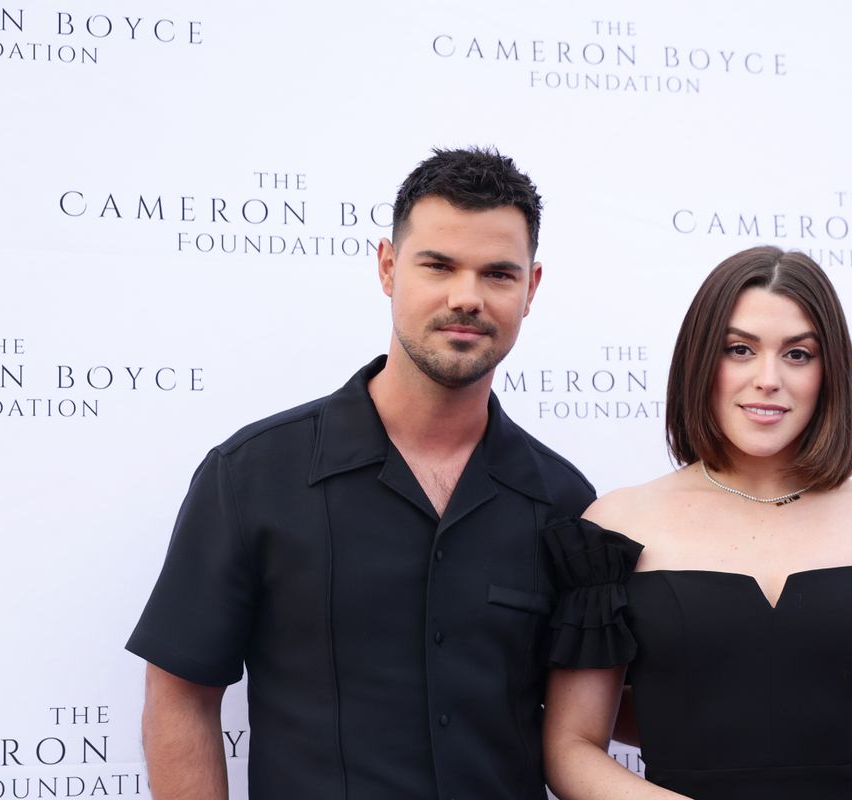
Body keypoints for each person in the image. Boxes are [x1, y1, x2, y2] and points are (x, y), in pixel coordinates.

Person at [125, 147, 598, 799]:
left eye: (497, 274)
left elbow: (581, 726)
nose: (467, 297)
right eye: (438, 265)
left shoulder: (565, 504)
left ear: (531, 288)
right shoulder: (254, 475)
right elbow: (180, 696)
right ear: (387, 267)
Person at [541, 246, 852, 800]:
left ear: (829, 370)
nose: (768, 379)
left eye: (798, 354)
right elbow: (571, 745)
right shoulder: (617, 526)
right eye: (739, 350)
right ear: (700, 361)